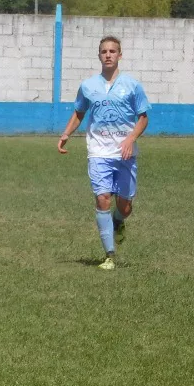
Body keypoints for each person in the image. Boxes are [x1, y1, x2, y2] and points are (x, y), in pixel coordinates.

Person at [57, 36, 151, 270]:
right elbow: (79, 112)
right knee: (102, 198)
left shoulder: (132, 86)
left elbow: (143, 117)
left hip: (125, 154)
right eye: (104, 51)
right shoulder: (88, 86)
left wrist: (130, 138)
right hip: (98, 151)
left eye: (112, 51)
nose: (108, 55)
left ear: (120, 55)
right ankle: (109, 255)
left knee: (125, 206)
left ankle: (119, 222)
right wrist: (66, 133)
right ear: (99, 55)